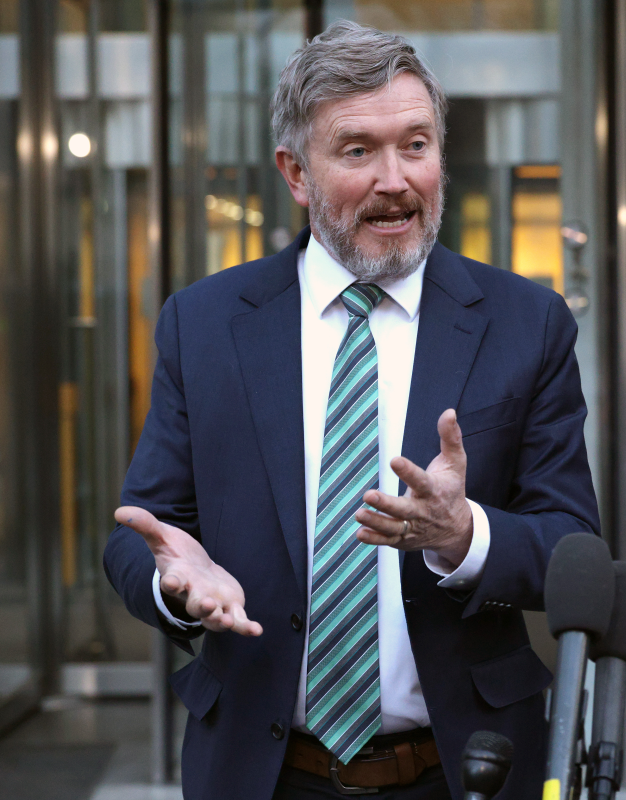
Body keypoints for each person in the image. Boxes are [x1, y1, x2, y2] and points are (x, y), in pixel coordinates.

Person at [104, 21, 598, 800]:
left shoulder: (525, 322)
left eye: (416, 145)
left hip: (464, 767)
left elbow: (573, 546)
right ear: (296, 173)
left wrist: (466, 536)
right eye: (358, 151)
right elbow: (142, 535)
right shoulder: (203, 326)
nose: (395, 180)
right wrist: (177, 588)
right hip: (262, 774)